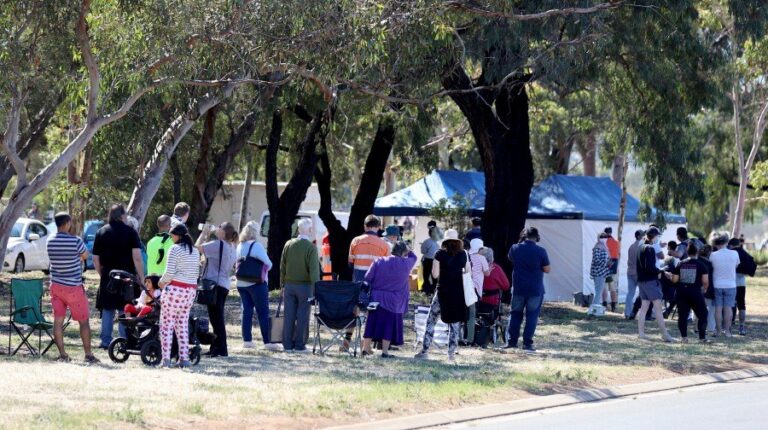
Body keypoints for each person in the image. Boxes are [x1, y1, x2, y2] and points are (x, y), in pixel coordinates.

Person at [46, 212, 99, 363]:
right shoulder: (75, 241)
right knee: (83, 321)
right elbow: (84, 255)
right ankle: (88, 354)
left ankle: (63, 354)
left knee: (58, 321)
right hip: (73, 287)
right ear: (67, 223)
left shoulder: (49, 241)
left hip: (56, 285)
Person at [93, 204, 145, 349]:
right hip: (126, 276)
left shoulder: (101, 232)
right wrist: (141, 276)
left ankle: (105, 341)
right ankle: (124, 341)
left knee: (107, 309)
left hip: (108, 275)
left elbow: (95, 259)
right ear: (122, 216)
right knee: (125, 308)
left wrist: (102, 274)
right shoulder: (131, 232)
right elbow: (137, 258)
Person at [414, 229, 468, 361]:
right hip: (458, 293)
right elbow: (467, 272)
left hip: (442, 292)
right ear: (457, 241)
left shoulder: (439, 254)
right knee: (455, 323)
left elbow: (435, 274)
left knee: (431, 320)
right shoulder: (464, 254)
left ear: (445, 241)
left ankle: (425, 350)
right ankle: (451, 354)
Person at [361, 242, 417, 357]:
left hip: (376, 298)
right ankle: (385, 352)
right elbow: (414, 256)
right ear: (403, 252)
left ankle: (366, 348)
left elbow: (367, 278)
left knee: (371, 323)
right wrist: (409, 249)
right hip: (394, 300)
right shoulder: (406, 263)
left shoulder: (379, 261)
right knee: (388, 325)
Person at [158, 224, 200, 368]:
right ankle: (184, 358)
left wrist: (161, 283)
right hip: (190, 291)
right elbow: (196, 273)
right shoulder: (195, 251)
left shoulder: (174, 249)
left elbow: (169, 272)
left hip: (175, 290)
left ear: (178, 236)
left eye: (171, 236)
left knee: (166, 326)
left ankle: (166, 360)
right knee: (182, 325)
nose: (171, 238)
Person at [196, 222, 239, 357]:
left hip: (214, 284)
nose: (217, 228)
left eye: (219, 227)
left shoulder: (218, 244)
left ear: (223, 232)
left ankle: (221, 349)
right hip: (224, 284)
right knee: (217, 318)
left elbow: (196, 248)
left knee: (216, 319)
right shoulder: (231, 246)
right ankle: (216, 347)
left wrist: (204, 234)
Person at [505, 227, 550, 352]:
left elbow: (511, 259)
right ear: (537, 237)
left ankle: (512, 342)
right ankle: (527, 344)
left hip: (519, 287)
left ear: (523, 236)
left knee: (515, 315)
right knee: (532, 316)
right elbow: (547, 269)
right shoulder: (541, 251)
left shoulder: (515, 248)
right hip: (535, 288)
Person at [280, 218, 320, 353]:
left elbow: (282, 267)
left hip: (289, 285)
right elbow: (314, 273)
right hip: (305, 286)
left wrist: (282, 285)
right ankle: (299, 345)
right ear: (309, 230)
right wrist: (316, 290)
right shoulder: (311, 247)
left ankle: (287, 344)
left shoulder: (288, 244)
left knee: (289, 314)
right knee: (303, 315)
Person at [236, 221, 278, 351]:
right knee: (263, 312)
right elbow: (269, 264)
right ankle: (267, 342)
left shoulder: (239, 246)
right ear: (256, 232)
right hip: (256, 284)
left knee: (246, 311)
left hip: (241, 283)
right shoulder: (257, 246)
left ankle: (247, 341)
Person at [635, 227, 676, 342]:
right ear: (654, 236)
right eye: (657, 236)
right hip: (650, 281)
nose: (658, 238)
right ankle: (665, 334)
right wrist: (663, 271)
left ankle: (641, 333)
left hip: (641, 281)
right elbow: (650, 267)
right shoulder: (650, 249)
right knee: (658, 309)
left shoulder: (640, 247)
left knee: (643, 309)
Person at [671, 243, 710, 343]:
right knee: (703, 315)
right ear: (697, 252)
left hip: (682, 293)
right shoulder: (701, 264)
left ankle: (684, 338)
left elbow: (674, 280)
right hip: (695, 293)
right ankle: (702, 338)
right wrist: (704, 289)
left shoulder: (680, 263)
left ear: (686, 252)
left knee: (682, 316)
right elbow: (705, 281)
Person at [710, 234, 739, 337]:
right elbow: (736, 265)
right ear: (727, 243)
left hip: (717, 284)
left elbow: (711, 267)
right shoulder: (735, 253)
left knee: (718, 308)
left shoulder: (713, 255)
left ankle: (718, 331)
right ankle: (727, 331)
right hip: (731, 284)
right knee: (728, 308)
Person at [463, 238, 490, 346]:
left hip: (465, 287)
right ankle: (470, 339)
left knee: (464, 313)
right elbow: (487, 273)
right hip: (475, 288)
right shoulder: (482, 258)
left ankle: (462, 335)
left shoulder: (466, 256)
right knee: (472, 314)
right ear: (479, 248)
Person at [348, 215, 390, 282]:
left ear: (365, 226)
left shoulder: (355, 241)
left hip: (358, 281)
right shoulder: (385, 245)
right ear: (378, 227)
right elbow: (386, 266)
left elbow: (350, 264)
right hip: (375, 281)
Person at [729, 237, 754, 336]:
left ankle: (728, 327)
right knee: (742, 305)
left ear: (731, 245)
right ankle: (742, 327)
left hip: (730, 283)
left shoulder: (730, 253)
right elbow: (752, 265)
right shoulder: (744, 253)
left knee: (729, 305)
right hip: (741, 283)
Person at [588, 232, 611, 316]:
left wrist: (609, 262)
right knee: (598, 292)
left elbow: (606, 258)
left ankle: (594, 309)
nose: (604, 238)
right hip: (598, 272)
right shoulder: (597, 247)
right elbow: (596, 260)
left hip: (603, 272)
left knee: (599, 291)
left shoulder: (604, 247)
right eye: (602, 237)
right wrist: (606, 263)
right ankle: (594, 310)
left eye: (605, 236)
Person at [625, 229, 644, 319]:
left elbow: (629, 261)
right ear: (639, 236)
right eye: (642, 235)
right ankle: (642, 313)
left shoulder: (631, 246)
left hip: (630, 272)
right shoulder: (642, 246)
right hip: (638, 273)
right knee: (643, 293)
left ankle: (627, 313)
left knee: (630, 293)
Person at [698, 245, 717, 335]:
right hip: (709, 288)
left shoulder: (697, 261)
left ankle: (697, 327)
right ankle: (710, 328)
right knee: (711, 310)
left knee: (698, 308)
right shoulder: (709, 264)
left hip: (698, 288)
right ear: (709, 253)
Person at [420, 224, 442, 296]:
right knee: (434, 277)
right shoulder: (439, 242)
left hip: (428, 261)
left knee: (426, 276)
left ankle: (427, 291)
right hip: (436, 261)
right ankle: (434, 291)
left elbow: (423, 251)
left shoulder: (427, 241)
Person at [603, 227, 620, 311]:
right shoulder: (616, 242)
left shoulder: (604, 243)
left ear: (605, 233)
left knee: (605, 287)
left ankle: (604, 305)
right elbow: (618, 254)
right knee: (613, 288)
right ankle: (613, 306)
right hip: (614, 266)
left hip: (605, 266)